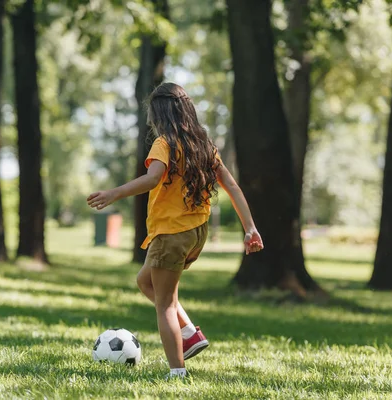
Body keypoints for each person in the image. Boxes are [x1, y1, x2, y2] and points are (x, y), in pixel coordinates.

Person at [87, 82, 264, 379]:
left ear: (159, 115)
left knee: (165, 305)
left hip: (171, 234)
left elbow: (153, 178)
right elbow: (231, 186)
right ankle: (189, 334)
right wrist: (250, 227)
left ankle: (177, 372)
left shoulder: (164, 144)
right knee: (146, 282)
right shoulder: (204, 145)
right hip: (196, 232)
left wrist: (115, 193)